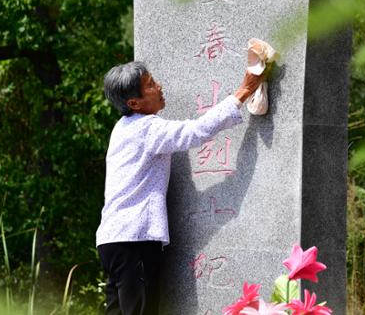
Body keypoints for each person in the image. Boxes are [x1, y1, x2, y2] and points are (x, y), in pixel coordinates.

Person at [96, 61, 262, 315]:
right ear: (134, 103)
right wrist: (244, 91)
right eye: (150, 85)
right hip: (134, 239)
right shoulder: (147, 128)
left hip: (112, 241)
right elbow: (197, 131)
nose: (159, 86)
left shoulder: (122, 128)